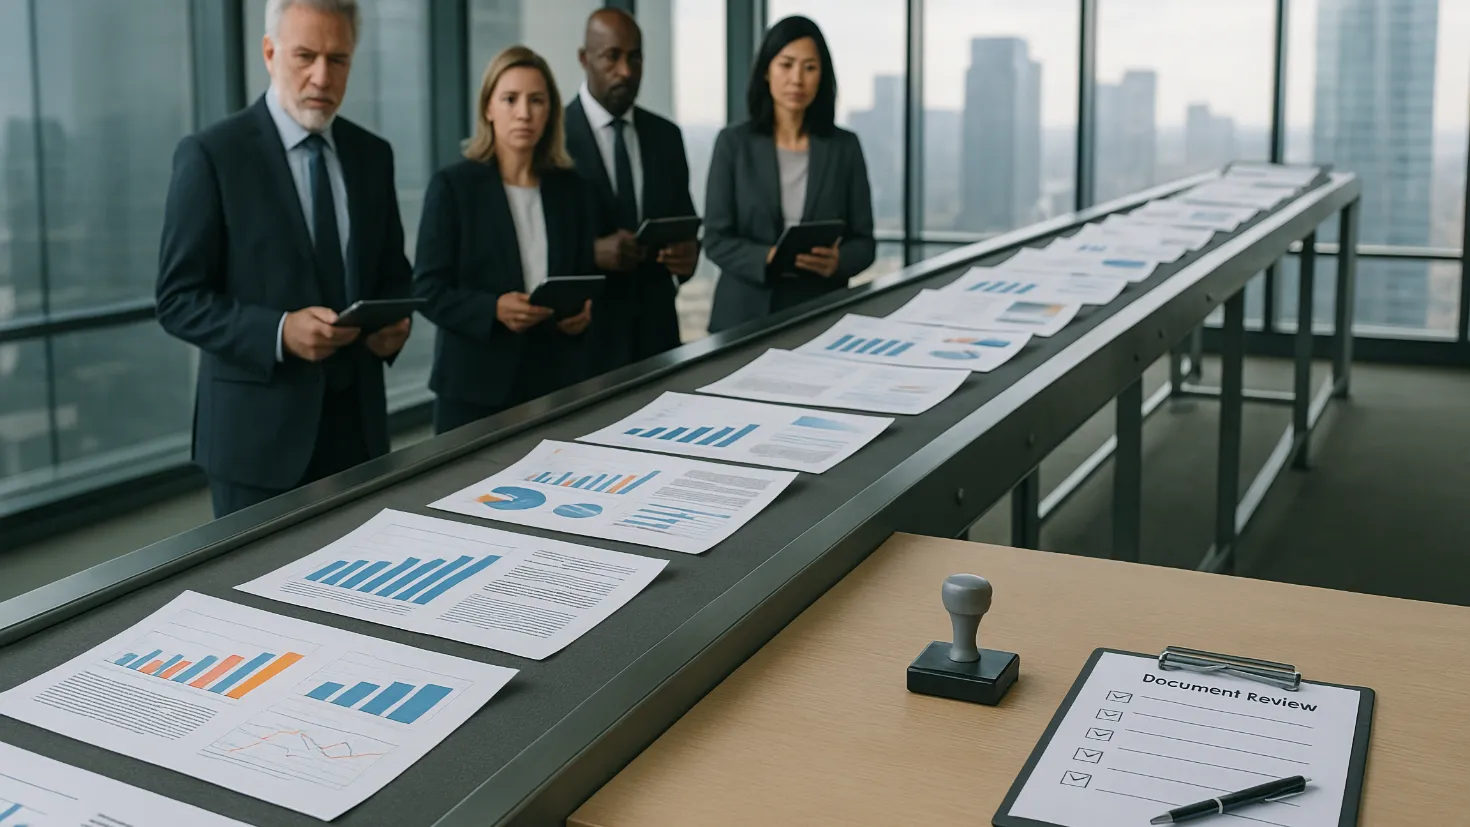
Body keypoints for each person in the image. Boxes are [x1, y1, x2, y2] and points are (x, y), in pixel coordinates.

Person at [156, 0, 413, 518]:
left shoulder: (372, 154)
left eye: (338, 59)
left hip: (357, 435)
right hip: (256, 444)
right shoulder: (212, 155)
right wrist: (279, 331)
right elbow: (178, 300)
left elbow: (391, 271)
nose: (322, 75)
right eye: (305, 56)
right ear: (270, 53)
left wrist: (395, 324)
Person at [414, 46, 598, 435]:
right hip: (474, 391)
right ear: (488, 108)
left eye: (537, 100)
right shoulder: (453, 187)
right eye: (510, 99)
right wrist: (492, 308)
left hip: (556, 382)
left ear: (550, 112)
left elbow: (583, 279)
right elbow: (427, 290)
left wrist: (581, 314)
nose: (524, 113)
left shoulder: (574, 192)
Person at [704, 15, 875, 333]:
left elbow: (864, 242)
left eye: (810, 68)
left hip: (822, 314)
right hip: (742, 317)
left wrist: (839, 261)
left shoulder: (844, 147)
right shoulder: (733, 144)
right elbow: (715, 239)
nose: (797, 79)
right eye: (786, 64)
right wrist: (767, 257)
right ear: (767, 71)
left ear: (822, 77)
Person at [565, 8, 699, 369]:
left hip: (658, 339)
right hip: (585, 344)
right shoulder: (554, 140)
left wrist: (688, 256)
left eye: (635, 57)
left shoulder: (666, 137)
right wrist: (590, 252)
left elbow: (684, 227)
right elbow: (534, 247)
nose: (625, 70)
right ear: (584, 58)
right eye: (612, 56)